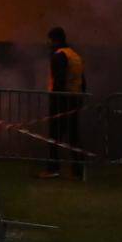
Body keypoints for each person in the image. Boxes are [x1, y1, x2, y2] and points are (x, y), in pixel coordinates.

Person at [39, 26, 86, 179]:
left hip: (61, 101)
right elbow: (82, 81)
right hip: (74, 99)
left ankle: (53, 168)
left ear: (54, 39)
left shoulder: (59, 55)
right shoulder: (75, 56)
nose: (48, 44)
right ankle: (78, 170)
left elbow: (59, 80)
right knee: (73, 137)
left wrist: (55, 99)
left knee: (54, 136)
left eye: (49, 40)